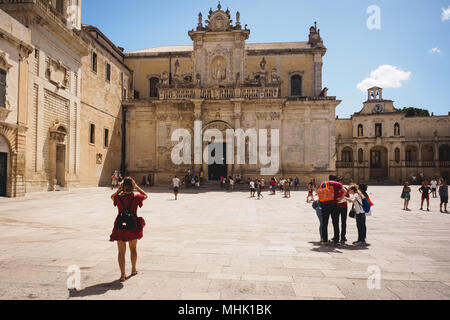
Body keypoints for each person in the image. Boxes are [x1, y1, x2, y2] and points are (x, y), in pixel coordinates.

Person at [110, 177, 148, 282]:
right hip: (132, 226)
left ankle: (122, 274)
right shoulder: (136, 197)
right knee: (133, 248)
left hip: (120, 226)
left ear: (122, 187)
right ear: (132, 186)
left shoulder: (118, 197)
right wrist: (137, 187)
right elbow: (146, 195)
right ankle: (133, 269)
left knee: (121, 252)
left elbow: (111, 197)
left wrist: (119, 190)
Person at [319, 175, 346, 245]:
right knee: (335, 222)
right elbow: (345, 191)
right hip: (334, 204)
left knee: (325, 222)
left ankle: (325, 240)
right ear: (335, 179)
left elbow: (320, 192)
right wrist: (340, 198)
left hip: (325, 204)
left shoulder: (324, 183)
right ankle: (336, 239)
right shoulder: (338, 184)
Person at [335, 177, 348, 244]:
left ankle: (343, 236)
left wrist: (341, 198)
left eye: (339, 181)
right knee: (336, 222)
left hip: (344, 206)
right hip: (337, 207)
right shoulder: (335, 188)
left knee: (343, 222)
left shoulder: (345, 188)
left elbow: (348, 197)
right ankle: (336, 236)